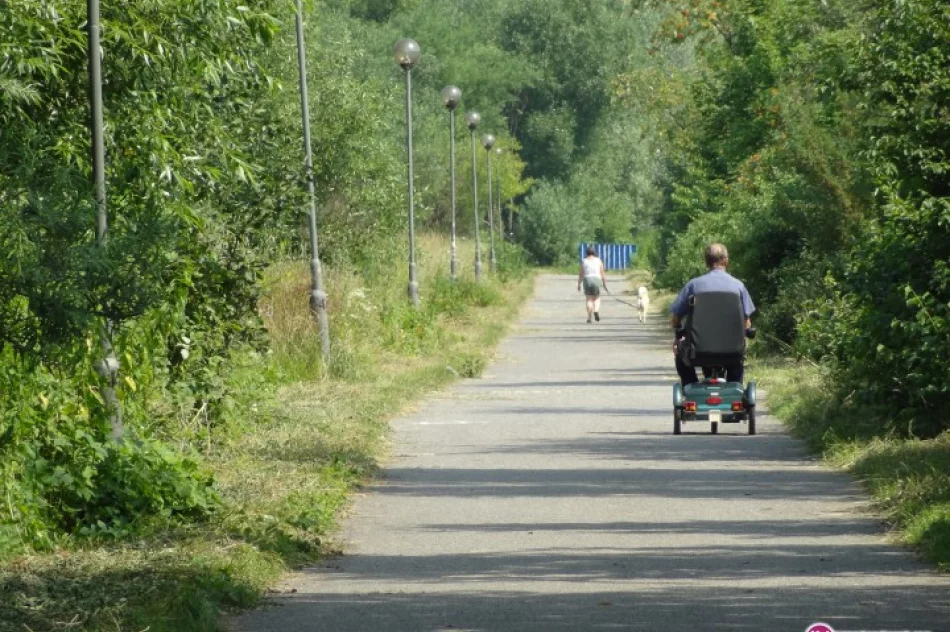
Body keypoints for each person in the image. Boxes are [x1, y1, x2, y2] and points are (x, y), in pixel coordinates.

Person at [670, 243, 755, 385]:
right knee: (739, 356)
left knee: (680, 353)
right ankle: (735, 385)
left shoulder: (693, 286)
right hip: (732, 351)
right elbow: (747, 322)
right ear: (725, 261)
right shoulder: (738, 286)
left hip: (696, 351)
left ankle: (690, 386)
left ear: (706, 262)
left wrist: (679, 335)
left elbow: (675, 318)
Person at [577, 246, 608, 323]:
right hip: (596, 279)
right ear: (594, 253)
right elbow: (602, 273)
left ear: (586, 253)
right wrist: (604, 283)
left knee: (589, 299)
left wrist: (579, 284)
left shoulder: (584, 261)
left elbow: (581, 274)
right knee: (597, 298)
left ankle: (589, 318)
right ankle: (596, 310)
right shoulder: (599, 261)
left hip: (587, 280)